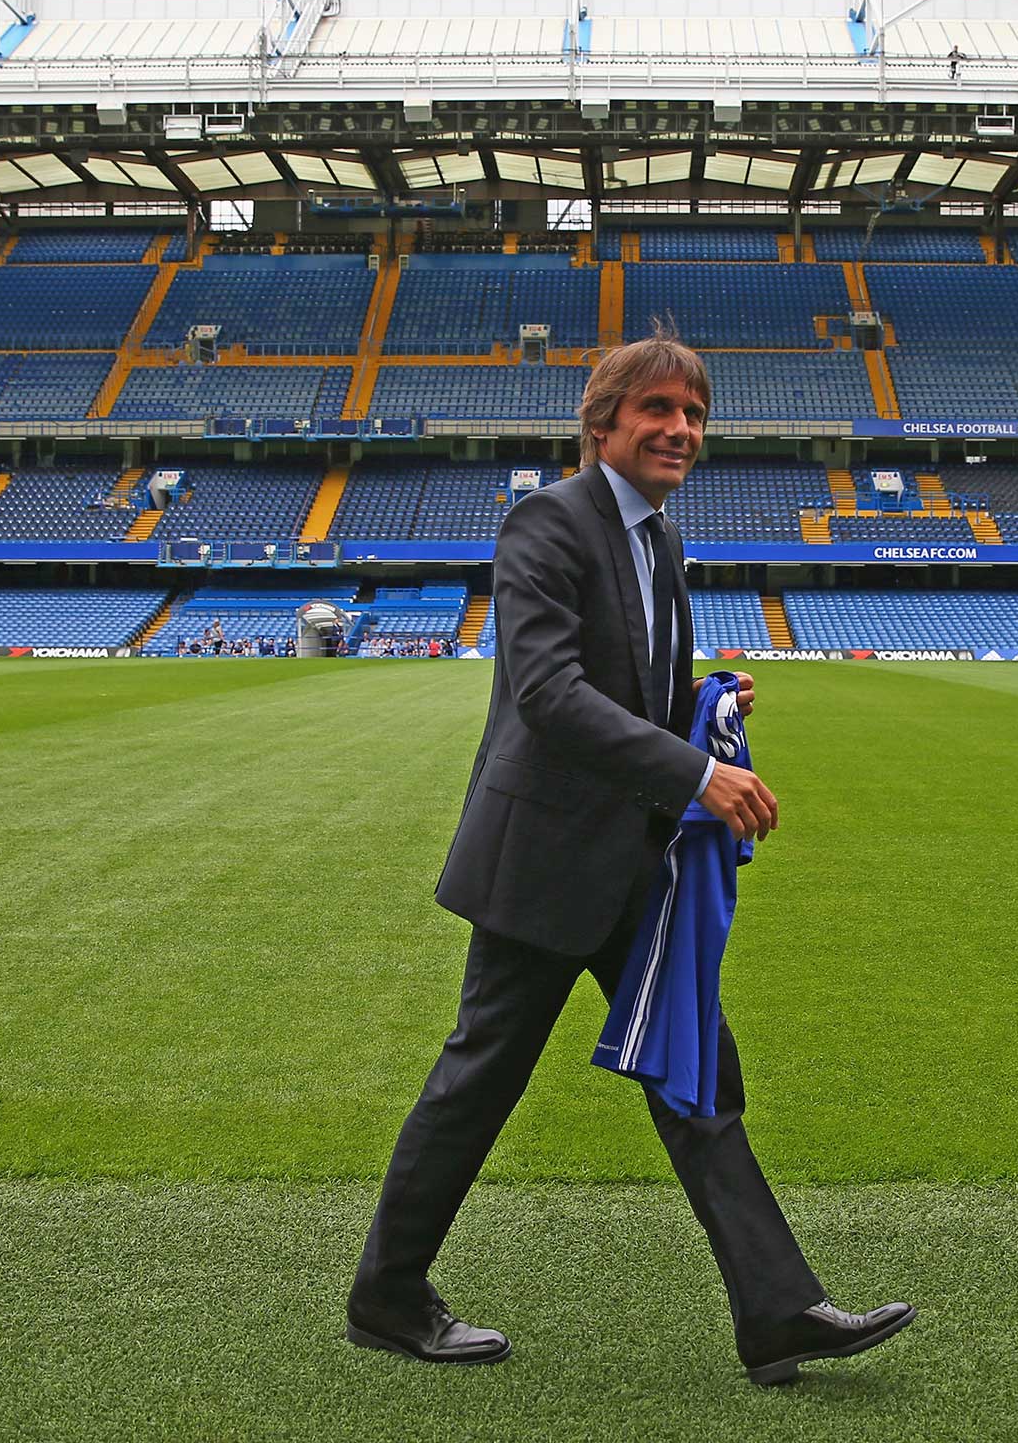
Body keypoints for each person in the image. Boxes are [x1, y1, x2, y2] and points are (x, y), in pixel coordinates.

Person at [347, 331, 914, 1385]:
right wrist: (700, 779)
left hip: (630, 864)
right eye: (657, 410)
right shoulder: (546, 524)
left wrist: (706, 707)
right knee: (480, 1080)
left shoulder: (657, 541)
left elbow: (638, 696)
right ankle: (386, 1296)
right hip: (544, 863)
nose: (679, 430)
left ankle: (777, 1311)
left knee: (698, 1072)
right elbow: (549, 694)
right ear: (601, 423)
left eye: (694, 415)